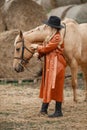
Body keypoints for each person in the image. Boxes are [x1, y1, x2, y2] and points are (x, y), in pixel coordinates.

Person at [31, 16, 66, 118]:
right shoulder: (51, 36)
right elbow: (47, 50)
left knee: (56, 87)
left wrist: (37, 47)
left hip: (57, 64)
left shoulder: (57, 37)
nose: (47, 27)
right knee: (48, 85)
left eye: (49, 26)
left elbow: (47, 48)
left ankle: (58, 111)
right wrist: (39, 54)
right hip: (51, 63)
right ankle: (44, 110)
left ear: (53, 27)